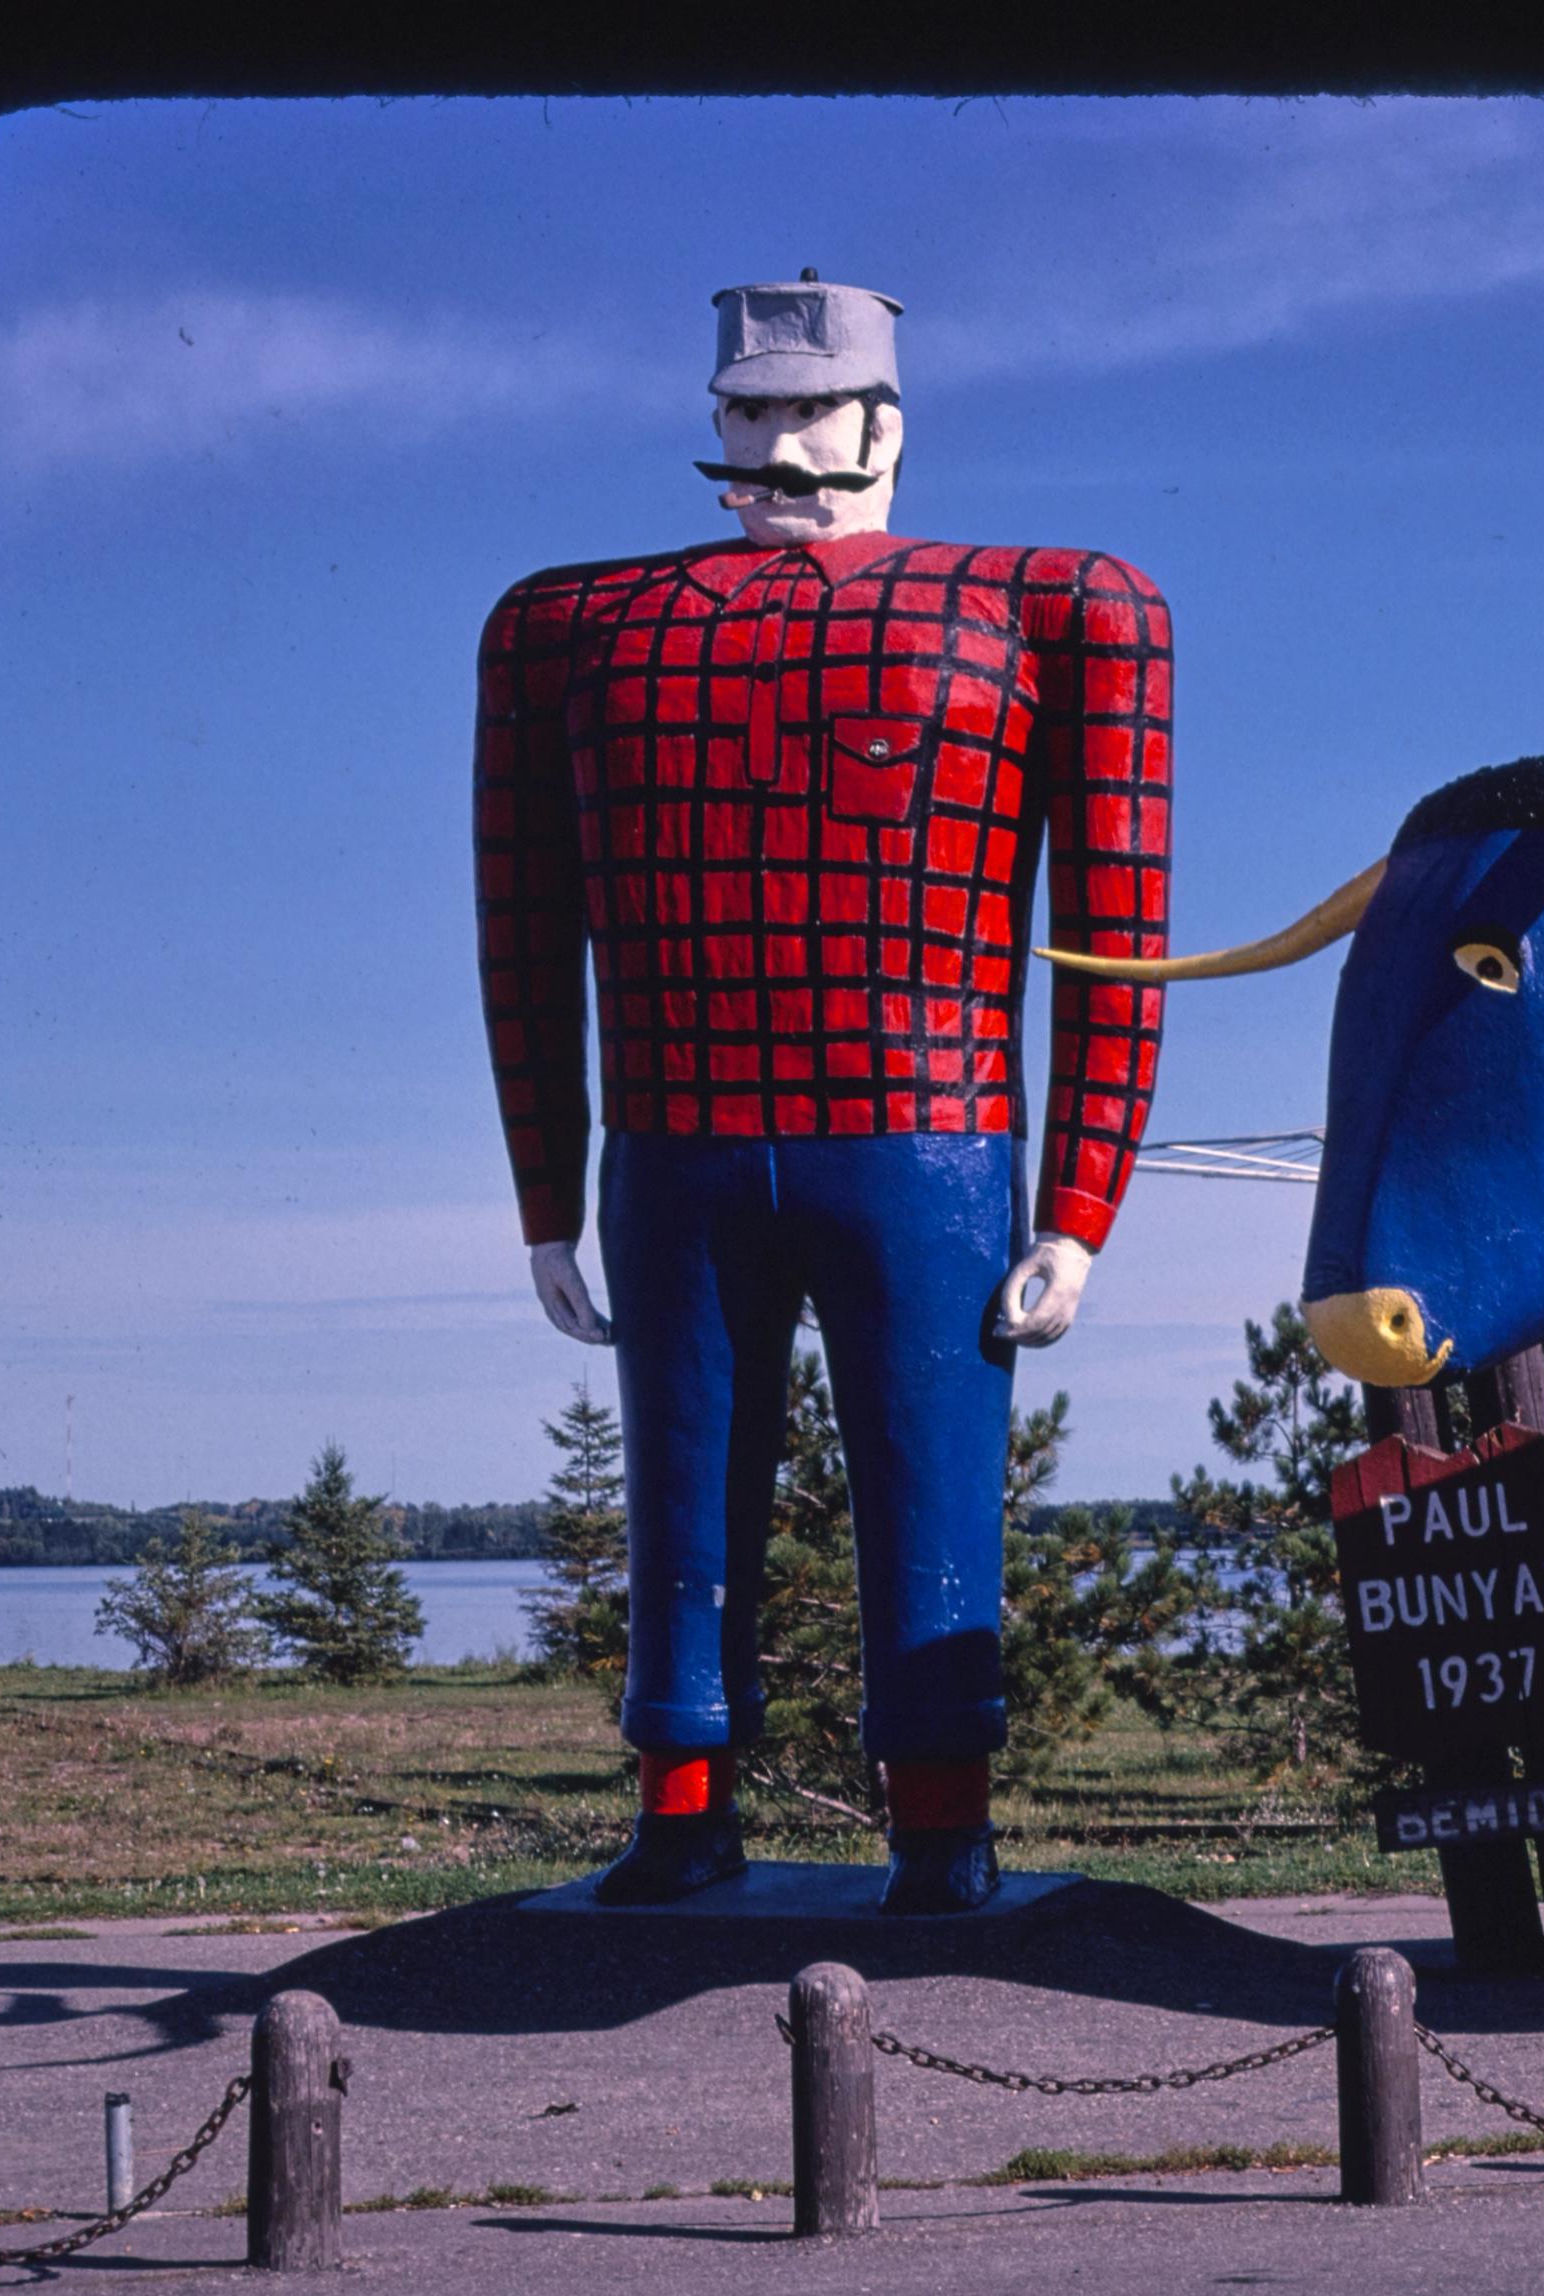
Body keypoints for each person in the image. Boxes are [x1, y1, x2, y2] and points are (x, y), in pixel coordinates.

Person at [474, 272, 1171, 1911]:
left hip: (925, 1134)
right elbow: (523, 923)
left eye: (808, 409)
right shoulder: (569, 626)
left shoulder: (1053, 606)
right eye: (747, 413)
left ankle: (943, 1826)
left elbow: (1117, 928)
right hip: (677, 1136)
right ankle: (683, 1807)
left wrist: (1081, 1203)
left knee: (932, 1478)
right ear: (714, 425)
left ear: (885, 423)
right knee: (679, 1482)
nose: (778, 444)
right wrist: (544, 1197)